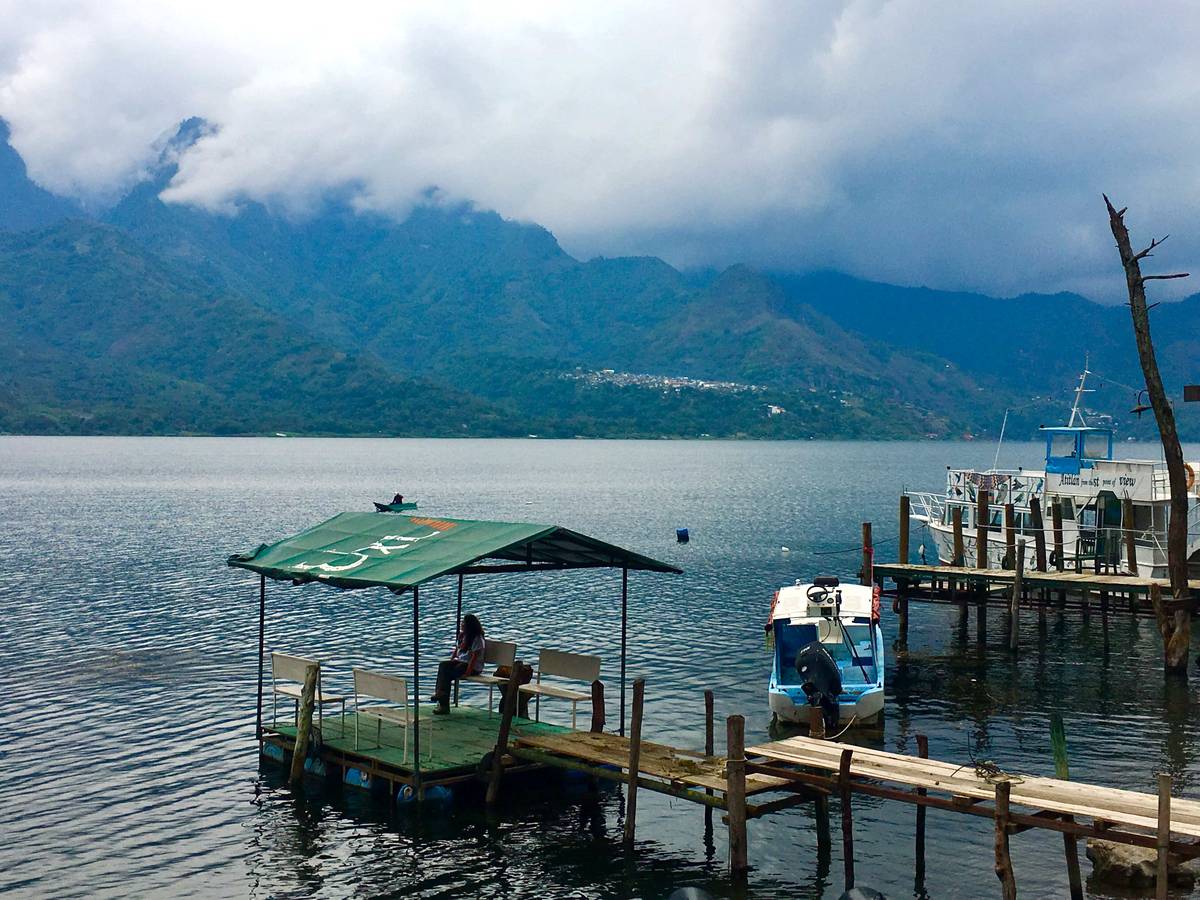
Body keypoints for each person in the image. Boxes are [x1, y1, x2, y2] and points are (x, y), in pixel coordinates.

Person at [431, 614, 485, 714]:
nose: (461, 625)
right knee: (443, 666)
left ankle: (442, 701)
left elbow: (474, 658)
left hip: (472, 667)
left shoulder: (477, 639)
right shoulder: (462, 636)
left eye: (463, 623)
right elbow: (456, 651)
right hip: (460, 662)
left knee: (448, 674)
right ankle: (440, 694)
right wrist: (451, 660)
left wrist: (468, 672)